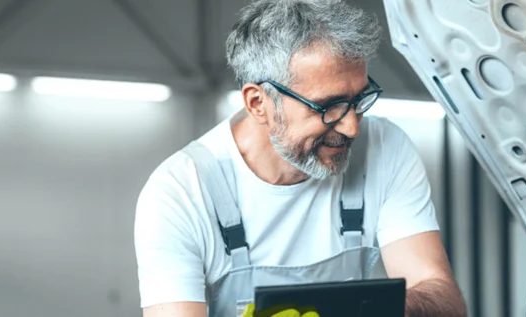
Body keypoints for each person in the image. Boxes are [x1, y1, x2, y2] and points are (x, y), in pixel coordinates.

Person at [133, 0, 467, 316]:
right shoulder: (180, 193)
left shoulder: (385, 147)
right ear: (258, 103)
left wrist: (353, 310)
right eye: (327, 107)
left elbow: (443, 298)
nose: (351, 127)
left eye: (359, 99)